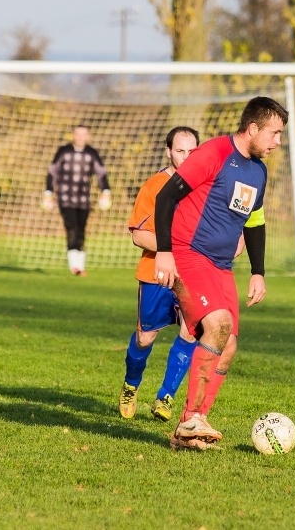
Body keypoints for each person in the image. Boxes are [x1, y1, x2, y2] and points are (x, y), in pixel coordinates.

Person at [153, 96, 288, 450]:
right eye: (274, 133)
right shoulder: (213, 153)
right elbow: (165, 198)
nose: (277, 142)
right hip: (187, 254)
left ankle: (192, 426)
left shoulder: (258, 171)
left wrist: (258, 271)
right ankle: (191, 419)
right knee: (217, 325)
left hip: (221, 266)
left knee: (228, 347)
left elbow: (255, 222)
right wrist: (164, 252)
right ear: (253, 128)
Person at [118, 126, 201, 422]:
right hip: (155, 273)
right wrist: (175, 248)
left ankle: (166, 396)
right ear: (168, 151)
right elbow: (139, 236)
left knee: (191, 331)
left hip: (191, 276)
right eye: (180, 150)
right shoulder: (153, 187)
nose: (187, 157)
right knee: (145, 337)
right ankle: (130, 385)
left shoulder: (205, 187)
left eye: (192, 151)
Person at [42, 124, 112, 276]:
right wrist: (48, 192)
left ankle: (79, 266)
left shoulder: (91, 153)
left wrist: (105, 191)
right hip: (65, 198)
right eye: (78, 134)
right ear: (73, 135)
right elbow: (52, 172)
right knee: (72, 228)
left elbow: (101, 174)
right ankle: (75, 267)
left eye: (84, 134)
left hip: (83, 200)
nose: (80, 137)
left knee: (81, 230)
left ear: (88, 136)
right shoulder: (64, 151)